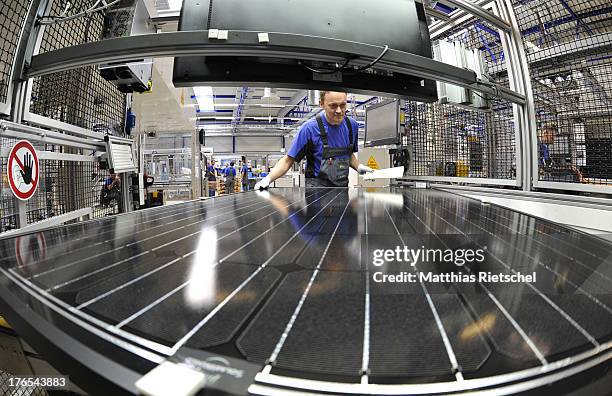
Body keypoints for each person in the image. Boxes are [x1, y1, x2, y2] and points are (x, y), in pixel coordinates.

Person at [254, 91, 373, 189]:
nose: (339, 111)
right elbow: (288, 160)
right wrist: (268, 179)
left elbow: (348, 154)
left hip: (342, 190)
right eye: (333, 106)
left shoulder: (352, 126)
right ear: (321, 104)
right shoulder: (309, 129)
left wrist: (358, 166)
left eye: (342, 105)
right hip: (316, 193)